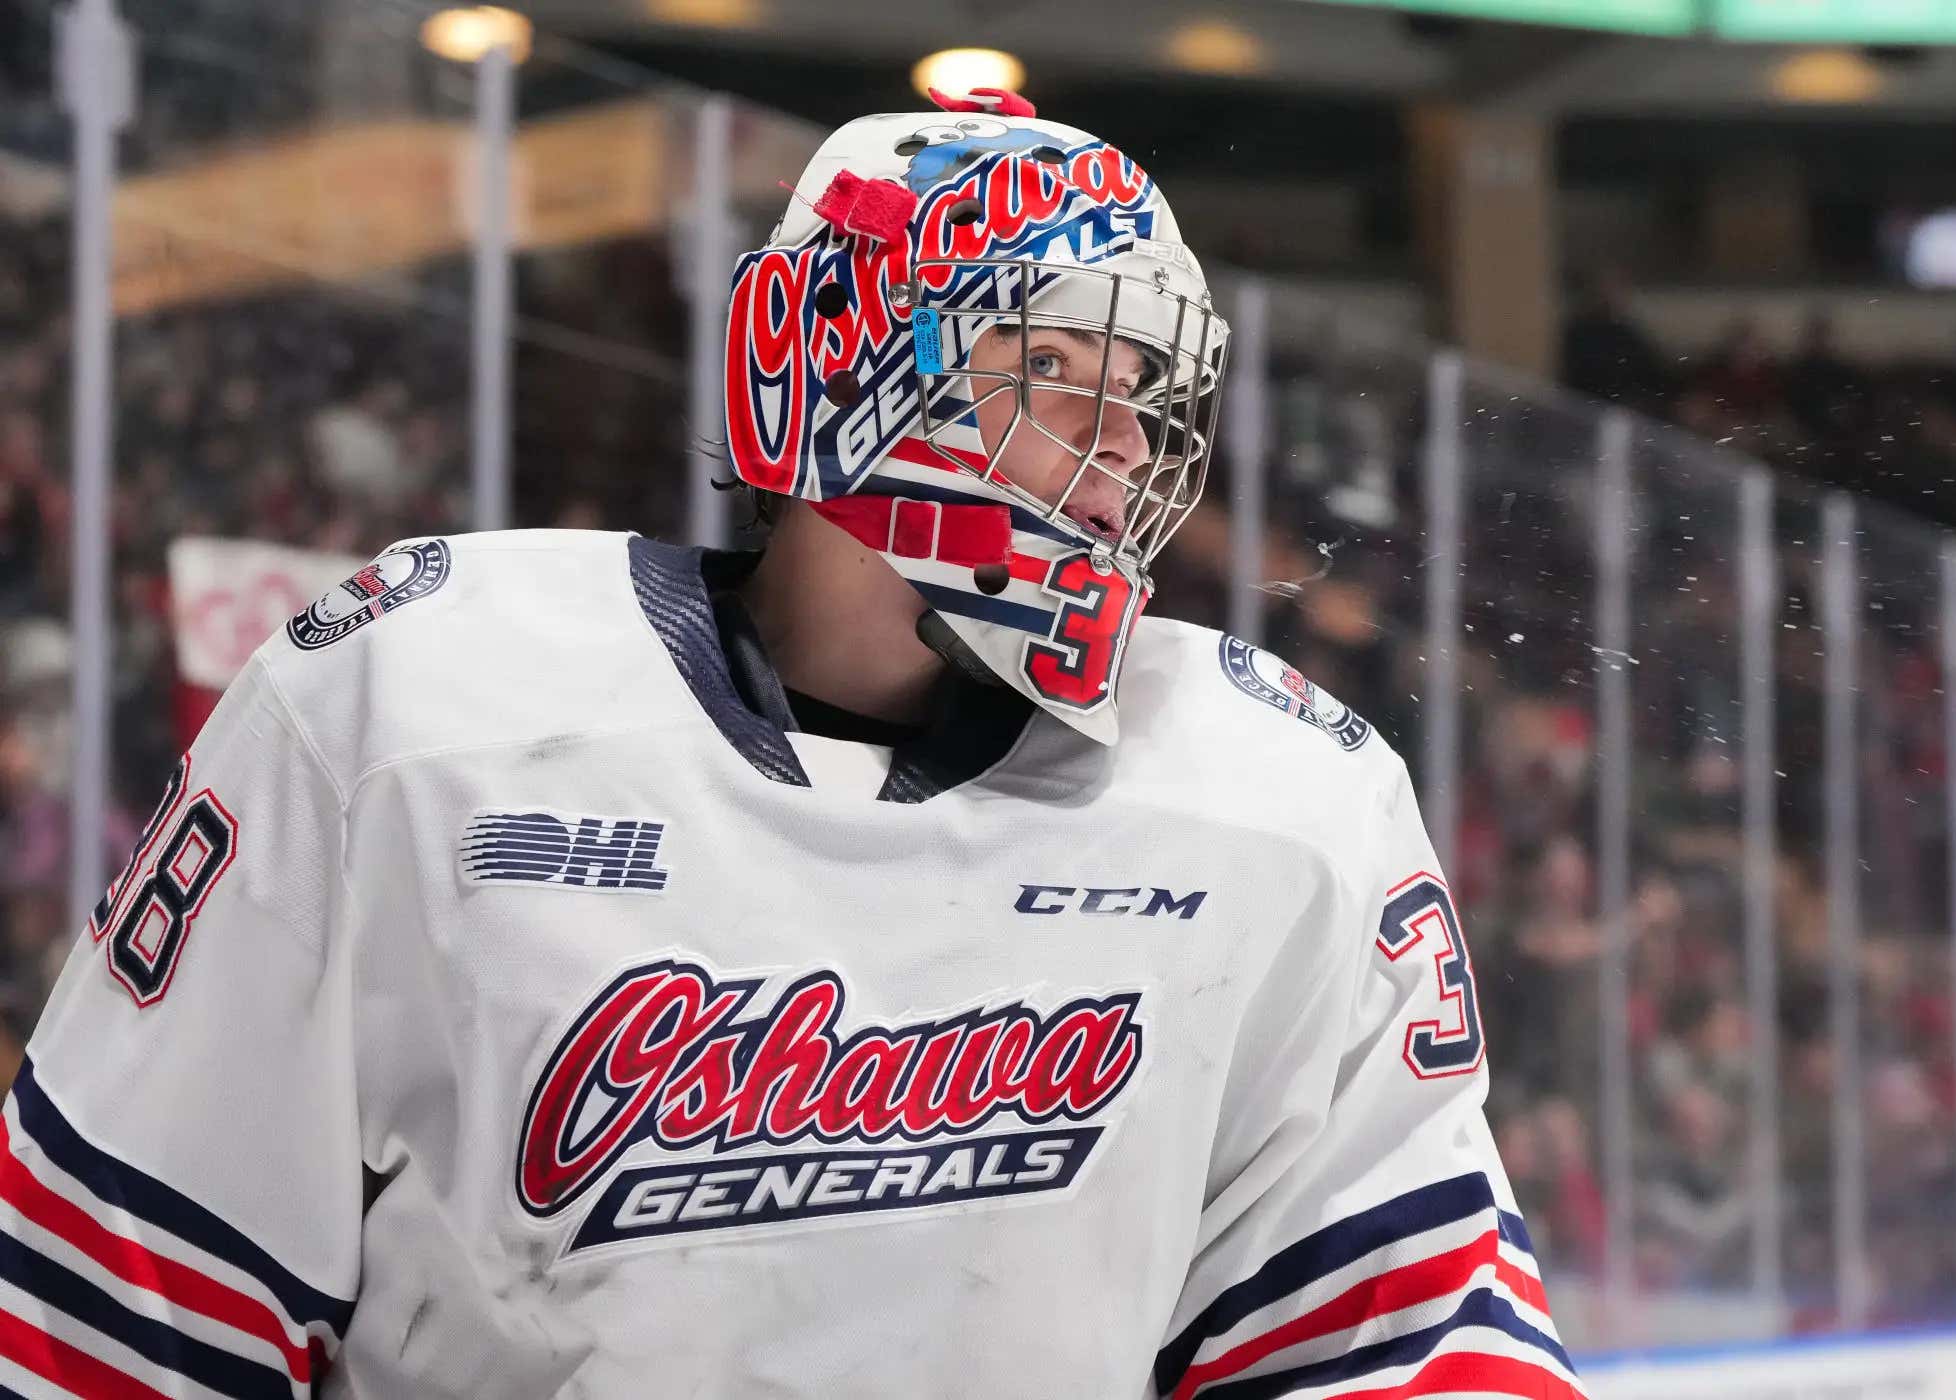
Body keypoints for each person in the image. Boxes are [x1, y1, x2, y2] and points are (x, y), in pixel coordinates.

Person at [0, 90, 1583, 1398]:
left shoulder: (1277, 801)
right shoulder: (410, 713)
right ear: (827, 359)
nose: (1118, 457)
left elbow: (1402, 1338)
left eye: (1145, 396)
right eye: (1047, 372)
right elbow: (121, 1310)